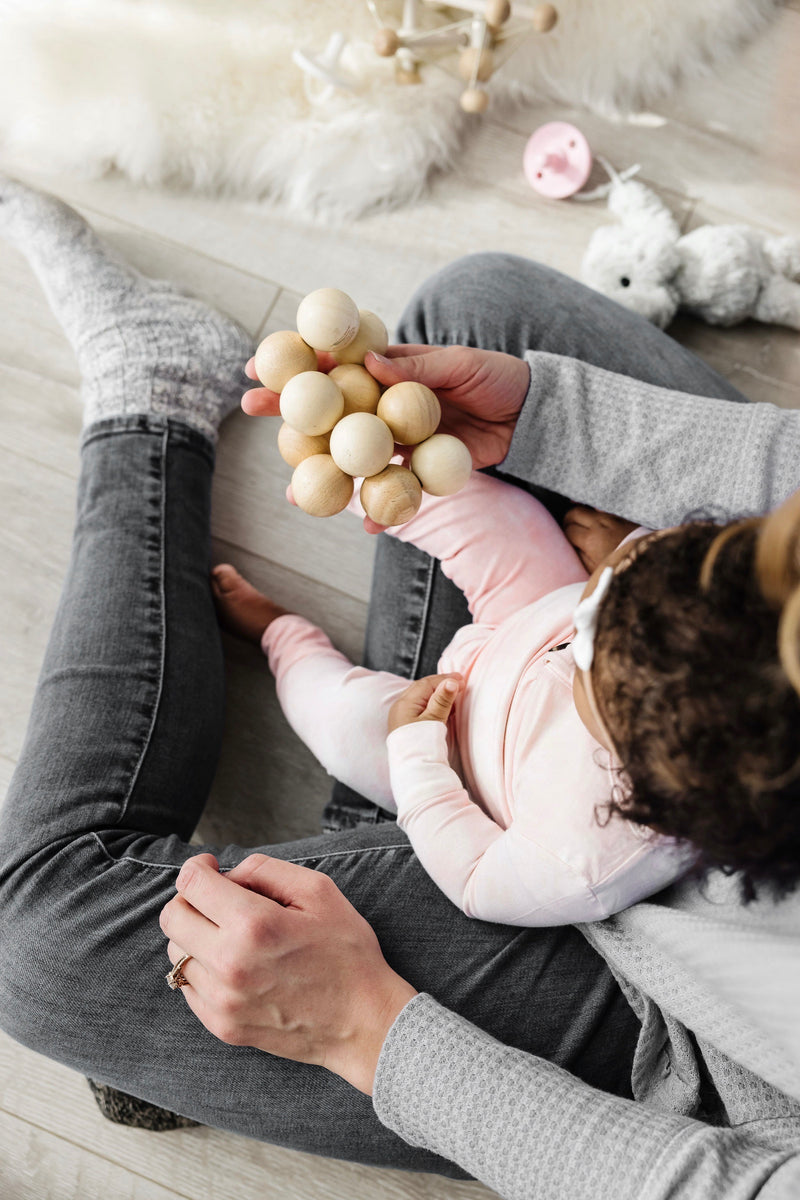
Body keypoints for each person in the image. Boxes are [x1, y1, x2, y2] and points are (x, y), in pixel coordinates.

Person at [0, 174, 799, 1198]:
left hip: (685, 999)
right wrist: (560, 430)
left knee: (42, 944)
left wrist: (365, 1030)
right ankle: (305, 901)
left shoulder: (587, 855)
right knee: (475, 314)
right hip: (654, 672)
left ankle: (150, 401)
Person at [211, 448, 800, 926]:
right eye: (608, 601)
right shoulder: (735, 614)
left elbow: (474, 876)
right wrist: (625, 558)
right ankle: (358, 470)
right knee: (503, 518)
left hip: (453, 749)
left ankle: (279, 636)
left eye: (590, 646)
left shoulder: (581, 863)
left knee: (337, 720)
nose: (588, 621)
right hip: (530, 613)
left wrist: (416, 756)